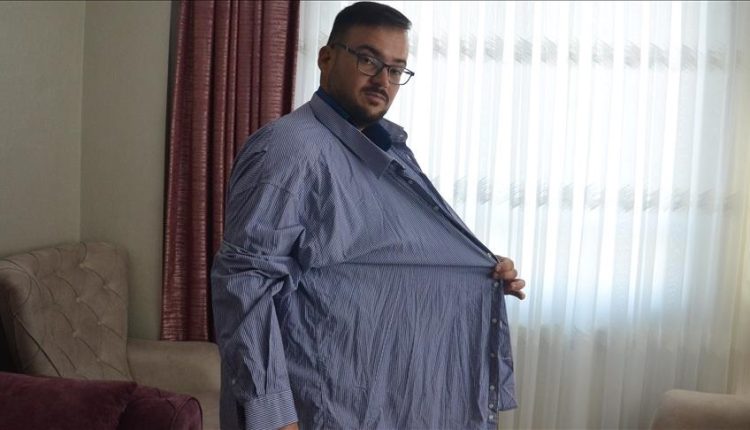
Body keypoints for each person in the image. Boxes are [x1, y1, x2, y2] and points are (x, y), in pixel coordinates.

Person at [211, 2, 526, 429]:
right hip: (311, 409)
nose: (383, 80)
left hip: (366, 400)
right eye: (368, 60)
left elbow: (390, 257)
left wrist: (476, 271)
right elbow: (244, 286)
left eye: (396, 69)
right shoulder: (290, 151)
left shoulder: (387, 149)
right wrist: (273, 416)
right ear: (326, 58)